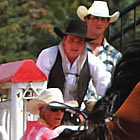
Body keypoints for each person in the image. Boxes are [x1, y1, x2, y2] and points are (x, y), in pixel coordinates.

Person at [36, 19, 111, 111]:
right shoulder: (48, 55)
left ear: (84, 43)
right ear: (64, 39)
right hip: (49, 112)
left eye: (79, 41)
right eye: (71, 40)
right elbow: (38, 88)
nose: (75, 45)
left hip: (76, 113)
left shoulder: (92, 60)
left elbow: (104, 84)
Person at [77, 1, 122, 111]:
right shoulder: (75, 50)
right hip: (76, 110)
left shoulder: (115, 56)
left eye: (103, 19)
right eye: (95, 18)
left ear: (107, 23)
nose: (99, 23)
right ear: (86, 20)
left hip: (106, 111)